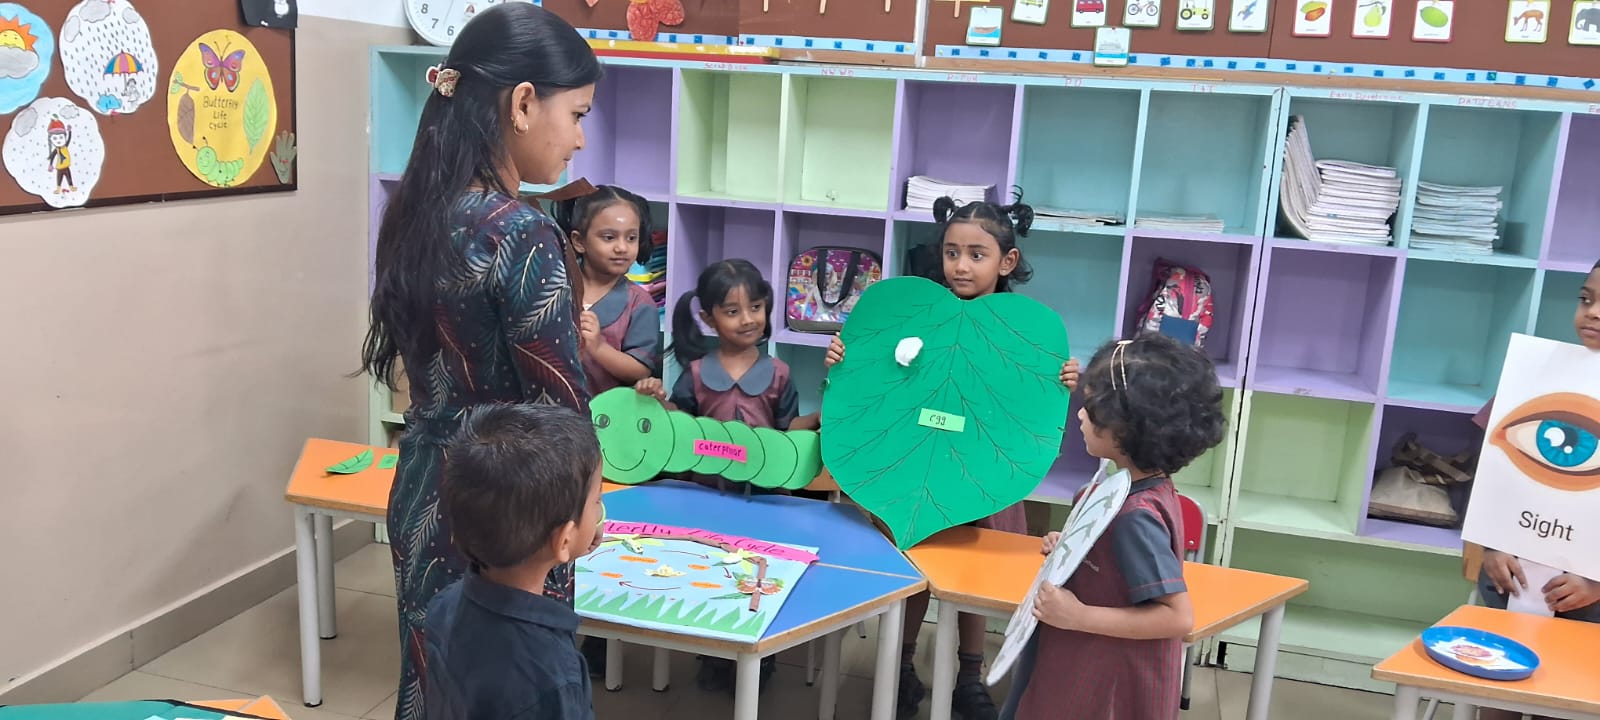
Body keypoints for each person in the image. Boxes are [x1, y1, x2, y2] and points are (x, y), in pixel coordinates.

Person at [355, 5, 603, 719]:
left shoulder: (418, 211)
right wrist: (587, 506)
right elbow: (560, 419)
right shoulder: (522, 234)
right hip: (515, 506)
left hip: (426, 488)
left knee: (437, 677)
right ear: (523, 104)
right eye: (577, 115)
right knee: (521, 683)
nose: (580, 139)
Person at [823, 193, 1079, 719]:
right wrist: (847, 357)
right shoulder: (914, 312)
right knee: (915, 566)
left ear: (1006, 261)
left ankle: (969, 676)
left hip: (984, 473)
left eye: (976, 255)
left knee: (972, 580)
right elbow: (878, 371)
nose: (961, 265)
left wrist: (1063, 377)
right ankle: (900, 669)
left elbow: (1028, 402)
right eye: (952, 252)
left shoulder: (1023, 330)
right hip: (915, 464)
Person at [1001, 334, 1225, 720]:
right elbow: (1117, 563)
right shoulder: (1131, 484)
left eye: (1091, 409)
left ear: (1126, 429)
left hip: (1106, 674)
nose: (1080, 415)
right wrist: (1075, 547)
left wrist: (1078, 616)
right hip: (1080, 656)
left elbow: (1177, 616)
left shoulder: (1136, 515)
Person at [634, 258, 817, 693]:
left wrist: (821, 418)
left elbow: (786, 430)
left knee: (761, 574)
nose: (747, 319)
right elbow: (679, 427)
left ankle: (761, 654)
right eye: (733, 311)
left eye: (755, 307)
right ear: (708, 317)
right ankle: (713, 653)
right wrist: (655, 400)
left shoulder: (779, 373)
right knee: (711, 570)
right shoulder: (697, 373)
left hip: (765, 499)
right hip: (705, 498)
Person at [1471, 259, 1600, 720]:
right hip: (1513, 577)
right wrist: (1492, 544)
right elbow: (1491, 476)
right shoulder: (1536, 378)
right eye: (1586, 298)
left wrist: (1596, 580)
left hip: (1591, 601)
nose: (1593, 312)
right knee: (1498, 693)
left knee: (1565, 696)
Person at [423, 403, 605, 720]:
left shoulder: (444, 605)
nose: (599, 513)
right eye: (597, 502)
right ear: (563, 540)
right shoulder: (552, 673)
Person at [554, 185, 662, 395]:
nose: (622, 248)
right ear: (579, 241)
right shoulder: (555, 286)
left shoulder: (639, 303)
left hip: (605, 411)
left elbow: (640, 370)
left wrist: (598, 347)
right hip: (550, 406)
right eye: (609, 237)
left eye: (631, 238)